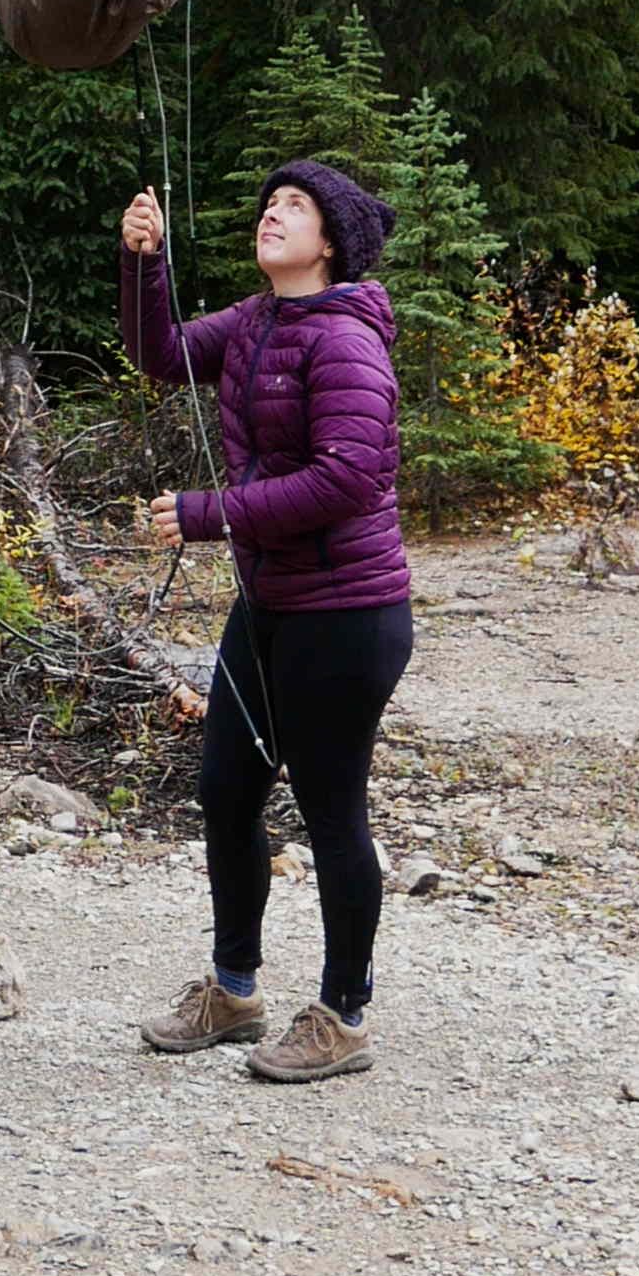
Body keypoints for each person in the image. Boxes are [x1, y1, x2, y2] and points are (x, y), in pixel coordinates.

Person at [119, 161, 413, 1081]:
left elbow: (348, 478)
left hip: (348, 613)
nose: (272, 215)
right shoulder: (257, 320)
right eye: (269, 204)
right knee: (226, 791)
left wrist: (210, 513)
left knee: (332, 812)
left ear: (331, 243)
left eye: (295, 206)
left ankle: (343, 1017)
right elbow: (163, 355)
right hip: (270, 606)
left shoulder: (347, 340)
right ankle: (234, 991)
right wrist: (145, 263)